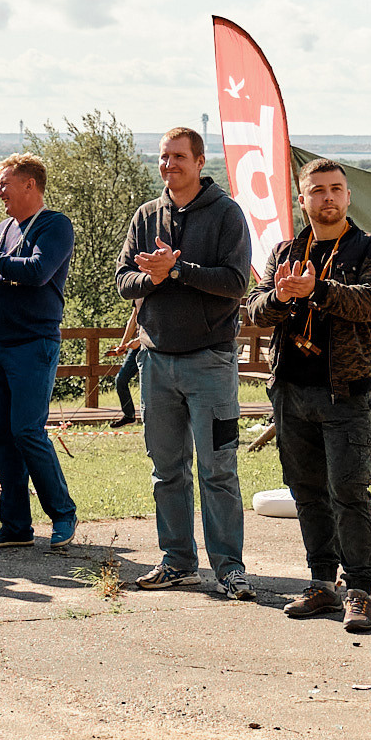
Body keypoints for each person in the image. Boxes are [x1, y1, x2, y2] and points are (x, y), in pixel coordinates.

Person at [243, 159, 371, 632]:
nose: (328, 198)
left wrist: (318, 289)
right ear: (303, 199)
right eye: (318, 191)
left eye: (336, 190)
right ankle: (321, 583)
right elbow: (255, 310)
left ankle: (360, 590)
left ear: (348, 197)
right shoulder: (287, 250)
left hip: (345, 392)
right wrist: (282, 298)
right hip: (291, 390)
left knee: (349, 490)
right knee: (306, 491)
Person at [116, 127, 253, 596]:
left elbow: (236, 282)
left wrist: (176, 270)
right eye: (163, 157)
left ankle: (229, 568)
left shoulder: (226, 214)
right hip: (156, 364)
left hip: (210, 363)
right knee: (167, 469)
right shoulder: (147, 215)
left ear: (199, 162)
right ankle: (177, 562)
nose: (168, 165)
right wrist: (153, 278)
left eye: (178, 157)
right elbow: (123, 281)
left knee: (218, 468)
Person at [0, 153, 79, 550]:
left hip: (34, 343)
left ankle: (62, 513)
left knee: (28, 430)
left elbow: (37, 272)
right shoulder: (3, 228)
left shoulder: (55, 225)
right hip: (1, 344)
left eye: (5, 183)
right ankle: (15, 527)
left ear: (30, 184)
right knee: (2, 438)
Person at [109, 313, 143, 427]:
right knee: (120, 380)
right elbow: (133, 319)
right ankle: (129, 415)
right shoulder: (137, 296)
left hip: (152, 345)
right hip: (137, 346)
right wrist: (122, 345)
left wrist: (139, 340)